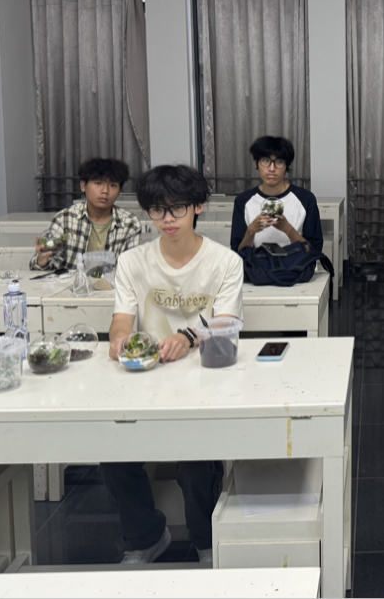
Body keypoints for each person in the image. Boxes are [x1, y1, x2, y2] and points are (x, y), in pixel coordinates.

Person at [102, 165, 244, 566]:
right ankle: (145, 537)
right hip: (145, 378)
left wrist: (186, 337)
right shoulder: (132, 261)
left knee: (198, 462)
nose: (167, 219)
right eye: (157, 210)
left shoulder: (225, 262)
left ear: (197, 207)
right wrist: (119, 340)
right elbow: (121, 319)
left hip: (204, 379)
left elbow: (225, 322)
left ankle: (206, 541)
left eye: (177, 208)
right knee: (111, 456)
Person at [29, 157, 141, 271]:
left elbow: (131, 268)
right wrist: (42, 259)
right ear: (83, 186)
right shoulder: (65, 219)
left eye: (113, 185)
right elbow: (49, 265)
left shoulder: (129, 223)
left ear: (119, 191)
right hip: (71, 281)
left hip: (112, 282)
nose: (105, 191)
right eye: (98, 183)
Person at [229, 136, 323, 254]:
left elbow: (315, 251)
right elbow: (236, 253)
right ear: (256, 163)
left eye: (279, 162)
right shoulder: (243, 200)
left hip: (296, 264)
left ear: (286, 166)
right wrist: (251, 232)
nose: (272, 168)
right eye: (265, 161)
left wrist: (288, 230)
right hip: (257, 264)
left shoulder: (305, 199)